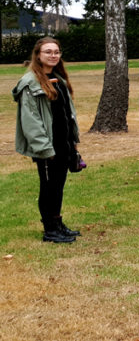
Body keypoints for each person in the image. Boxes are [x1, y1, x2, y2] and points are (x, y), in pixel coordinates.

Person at [13, 37, 82, 243]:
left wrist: (73, 141)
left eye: (56, 52)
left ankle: (57, 222)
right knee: (49, 186)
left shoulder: (58, 79)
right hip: (47, 145)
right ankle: (50, 230)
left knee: (58, 185)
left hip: (63, 142)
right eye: (48, 52)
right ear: (38, 55)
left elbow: (67, 113)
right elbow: (30, 119)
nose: (53, 55)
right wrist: (44, 148)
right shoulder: (30, 83)